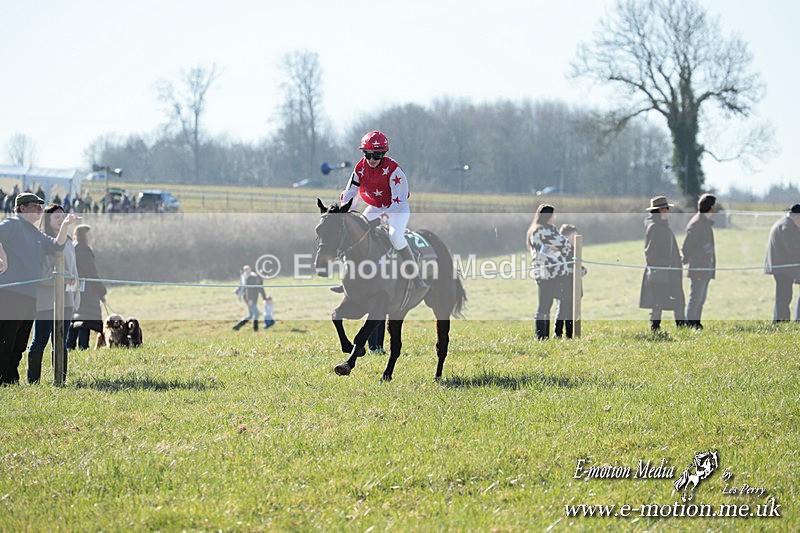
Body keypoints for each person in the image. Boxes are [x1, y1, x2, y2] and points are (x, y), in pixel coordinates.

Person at [0, 193, 79, 385]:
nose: (38, 209)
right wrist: (1, 254)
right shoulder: (11, 224)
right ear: (21, 208)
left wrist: (66, 225)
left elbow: (57, 246)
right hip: (10, 294)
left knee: (20, 342)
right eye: (34, 206)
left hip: (29, 296)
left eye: (39, 206)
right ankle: (3, 378)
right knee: (5, 340)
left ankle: (11, 379)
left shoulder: (35, 233)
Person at [335, 130, 426, 291]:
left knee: (395, 237)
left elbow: (398, 202)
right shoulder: (359, 168)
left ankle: (415, 276)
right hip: (376, 206)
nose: (371, 159)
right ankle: (350, 278)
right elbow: (350, 193)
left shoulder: (394, 170)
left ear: (383, 154)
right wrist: (344, 209)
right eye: (367, 154)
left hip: (397, 209)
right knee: (354, 233)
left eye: (376, 155)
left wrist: (383, 218)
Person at [26, 204, 81, 383]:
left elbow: (73, 270)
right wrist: (62, 278)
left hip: (66, 298)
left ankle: (60, 379)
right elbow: (41, 273)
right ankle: (33, 381)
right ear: (47, 220)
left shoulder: (69, 243)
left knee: (61, 341)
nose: (61, 220)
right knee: (40, 339)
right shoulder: (42, 242)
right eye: (56, 217)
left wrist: (74, 291)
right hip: (46, 299)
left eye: (63, 217)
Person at [526, 204, 573, 340]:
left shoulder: (548, 230)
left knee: (548, 304)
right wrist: (559, 247)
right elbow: (564, 244)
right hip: (546, 273)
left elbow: (563, 246)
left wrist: (558, 247)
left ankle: (544, 335)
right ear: (548, 216)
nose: (555, 217)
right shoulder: (540, 232)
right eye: (553, 215)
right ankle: (541, 335)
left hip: (554, 272)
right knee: (545, 305)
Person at [639, 196, 686, 332]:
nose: (668, 211)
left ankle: (681, 327)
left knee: (676, 299)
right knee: (658, 302)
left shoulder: (662, 226)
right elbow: (650, 253)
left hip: (670, 271)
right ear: (659, 210)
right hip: (662, 272)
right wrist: (665, 264)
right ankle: (656, 329)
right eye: (666, 208)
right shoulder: (654, 227)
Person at [67, 225, 107, 350]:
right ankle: (83, 347)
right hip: (86, 290)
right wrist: (101, 290)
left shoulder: (73, 248)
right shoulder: (84, 251)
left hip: (72, 287)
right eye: (89, 234)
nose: (92, 237)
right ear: (84, 236)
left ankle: (69, 346)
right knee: (85, 320)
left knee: (74, 319)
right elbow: (91, 273)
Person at [681, 193, 717, 329]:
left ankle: (696, 322)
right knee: (696, 297)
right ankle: (690, 324)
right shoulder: (697, 223)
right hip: (698, 267)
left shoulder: (704, 222)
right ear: (711, 207)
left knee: (700, 299)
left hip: (705, 267)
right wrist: (688, 259)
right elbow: (686, 245)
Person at [763, 203, 800, 322]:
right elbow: (793, 248)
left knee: (783, 297)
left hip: (784, 266)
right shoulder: (787, 227)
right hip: (783, 267)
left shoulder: (787, 224)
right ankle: (780, 322)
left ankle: (781, 322)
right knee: (784, 297)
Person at [554, 224, 586, 339]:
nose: (576, 238)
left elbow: (578, 266)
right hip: (563, 285)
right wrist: (574, 270)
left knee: (572, 312)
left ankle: (569, 335)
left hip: (574, 286)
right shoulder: (560, 250)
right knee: (562, 311)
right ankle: (557, 334)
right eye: (574, 236)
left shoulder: (575, 250)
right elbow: (561, 267)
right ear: (566, 237)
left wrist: (583, 270)